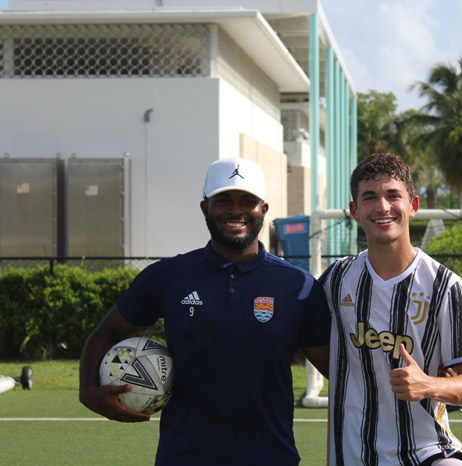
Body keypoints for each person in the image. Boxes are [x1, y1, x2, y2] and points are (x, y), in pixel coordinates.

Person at [79, 157, 331, 466]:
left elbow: (337, 370)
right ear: (204, 208)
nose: (236, 210)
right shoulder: (168, 276)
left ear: (263, 209)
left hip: (271, 457)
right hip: (182, 457)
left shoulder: (298, 286)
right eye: (223, 200)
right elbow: (109, 331)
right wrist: (88, 389)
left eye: (248, 201)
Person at [320, 153, 462, 466]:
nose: (382, 207)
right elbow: (307, 339)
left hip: (426, 451)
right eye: (369, 198)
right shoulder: (336, 280)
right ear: (355, 211)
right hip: (354, 456)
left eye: (393, 195)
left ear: (413, 205)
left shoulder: (443, 286)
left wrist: (429, 384)